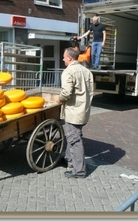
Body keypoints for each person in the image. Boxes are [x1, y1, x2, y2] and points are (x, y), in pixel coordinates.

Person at [56, 47, 94, 178]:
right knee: (73, 136)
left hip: (73, 112)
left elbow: (66, 92)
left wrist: (59, 99)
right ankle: (69, 160)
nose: (62, 59)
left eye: (64, 57)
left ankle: (79, 171)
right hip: (83, 111)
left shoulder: (69, 71)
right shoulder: (87, 71)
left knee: (74, 140)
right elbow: (90, 92)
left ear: (70, 58)